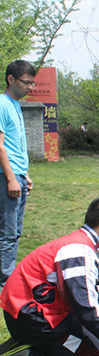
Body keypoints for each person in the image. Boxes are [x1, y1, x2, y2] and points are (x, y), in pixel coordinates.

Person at [0, 196, 99, 356]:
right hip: (35, 319)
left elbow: (91, 291)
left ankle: (36, 341)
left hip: (43, 311)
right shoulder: (78, 251)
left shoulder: (84, 243)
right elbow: (86, 306)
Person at [0, 60, 36, 289]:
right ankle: (5, 285)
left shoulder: (15, 105)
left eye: (32, 84)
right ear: (10, 79)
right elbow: (0, 146)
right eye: (26, 83)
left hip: (17, 176)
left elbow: (16, 146)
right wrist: (12, 177)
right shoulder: (2, 104)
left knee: (15, 233)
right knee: (8, 234)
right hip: (6, 178)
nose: (29, 88)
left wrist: (23, 174)